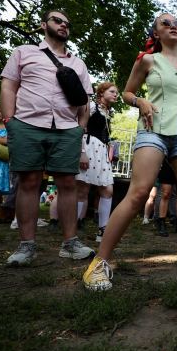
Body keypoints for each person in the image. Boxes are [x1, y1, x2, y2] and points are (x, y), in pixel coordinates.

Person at [83, 13, 177, 291]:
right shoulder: (147, 61)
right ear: (156, 32)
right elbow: (128, 92)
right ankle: (99, 262)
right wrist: (140, 100)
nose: (173, 26)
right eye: (166, 23)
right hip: (153, 130)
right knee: (139, 192)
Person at [0, 9, 95, 266]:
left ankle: (70, 243)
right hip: (27, 124)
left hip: (67, 128)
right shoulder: (24, 52)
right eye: (57, 20)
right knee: (28, 182)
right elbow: (9, 86)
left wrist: (80, 127)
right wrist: (10, 122)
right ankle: (26, 246)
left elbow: (85, 100)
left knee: (67, 184)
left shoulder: (78, 63)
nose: (63, 25)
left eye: (67, 22)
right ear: (44, 25)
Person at [75, 82, 119, 243]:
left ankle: (103, 230)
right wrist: (82, 153)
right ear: (101, 92)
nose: (116, 94)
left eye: (116, 92)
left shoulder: (108, 112)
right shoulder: (92, 106)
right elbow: (80, 128)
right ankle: (73, 230)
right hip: (88, 147)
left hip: (102, 151)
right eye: (112, 91)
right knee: (82, 190)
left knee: (107, 190)